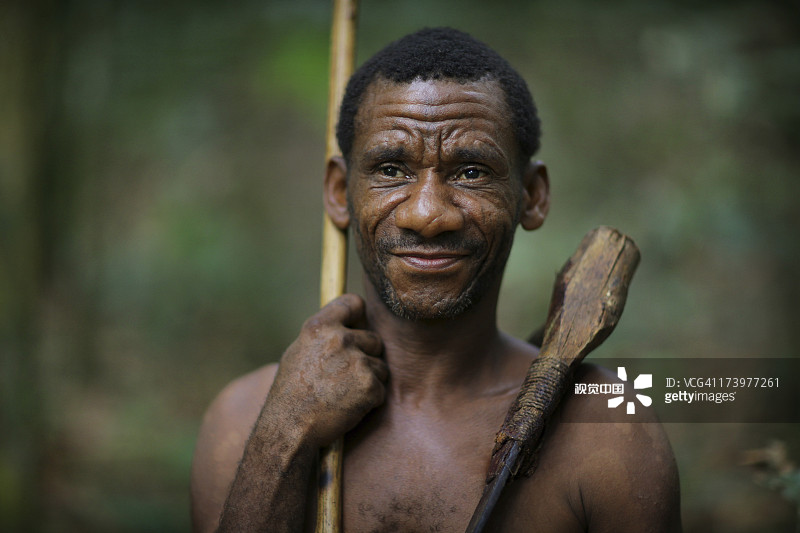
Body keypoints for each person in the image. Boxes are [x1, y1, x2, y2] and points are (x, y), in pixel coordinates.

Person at [190, 28, 681, 532]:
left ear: (531, 195)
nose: (428, 215)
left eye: (471, 171)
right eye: (390, 169)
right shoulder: (245, 421)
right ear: (339, 191)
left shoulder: (607, 436)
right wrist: (286, 435)